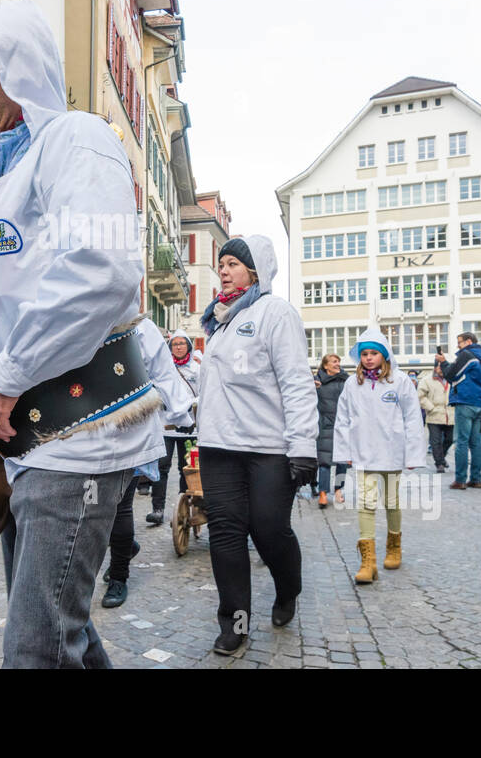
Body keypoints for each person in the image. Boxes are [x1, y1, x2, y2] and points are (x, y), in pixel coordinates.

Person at [0, 1, 161, 668]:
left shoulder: (76, 137)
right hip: (33, 440)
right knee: (60, 629)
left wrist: (7, 375)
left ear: (25, 68)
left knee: (36, 645)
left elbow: (103, 267)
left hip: (79, 431)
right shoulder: (2, 180)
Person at [195, 234, 318, 655]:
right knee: (226, 533)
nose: (224, 271)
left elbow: (297, 382)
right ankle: (236, 623)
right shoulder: (219, 322)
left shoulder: (275, 313)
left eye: (232, 263)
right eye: (222, 264)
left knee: (269, 530)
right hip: (218, 447)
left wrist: (303, 444)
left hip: (268, 446)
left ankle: (288, 589)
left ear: (255, 270)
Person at [102, 321, 196, 609]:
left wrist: (182, 415)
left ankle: (119, 575)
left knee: (120, 506)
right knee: (94, 507)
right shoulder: (80, 313)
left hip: (130, 430)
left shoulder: (142, 327)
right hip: (89, 432)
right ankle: (126, 547)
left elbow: (163, 372)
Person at [332, 329, 426, 584]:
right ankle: (367, 561)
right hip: (363, 452)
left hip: (392, 451)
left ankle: (394, 546)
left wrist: (413, 454)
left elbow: (412, 418)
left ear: (384, 355)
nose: (369, 358)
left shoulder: (401, 381)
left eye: (374, 353)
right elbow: (342, 420)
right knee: (365, 503)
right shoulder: (352, 384)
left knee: (392, 501)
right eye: (364, 354)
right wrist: (344, 453)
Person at [147, 330, 201, 526]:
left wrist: (190, 405)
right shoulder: (164, 369)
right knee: (162, 466)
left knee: (186, 468)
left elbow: (203, 393)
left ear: (188, 346)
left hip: (189, 427)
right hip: (166, 427)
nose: (178, 347)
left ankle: (183, 506)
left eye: (182, 344)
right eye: (174, 344)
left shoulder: (197, 369)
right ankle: (158, 509)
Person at [437, 332, 481, 490]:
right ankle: (476, 478)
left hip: (465, 401)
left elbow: (451, 375)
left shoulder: (467, 355)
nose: (458, 345)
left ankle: (460, 479)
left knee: (461, 442)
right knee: (476, 443)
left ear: (468, 341)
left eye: (459, 342)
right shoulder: (480, 358)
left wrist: (444, 362)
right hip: (479, 402)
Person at [314, 354, 349, 505]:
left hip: (342, 424)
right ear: (326, 365)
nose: (338, 364)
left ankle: (338, 491)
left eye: (339, 362)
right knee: (324, 461)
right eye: (334, 362)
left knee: (342, 461)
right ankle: (323, 493)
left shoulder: (346, 380)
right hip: (325, 424)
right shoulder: (316, 381)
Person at [417, 361, 454, 473]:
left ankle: (441, 459)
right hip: (434, 414)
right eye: (439, 367)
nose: (441, 369)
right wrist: (431, 408)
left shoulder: (452, 379)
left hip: (450, 414)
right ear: (435, 368)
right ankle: (439, 463)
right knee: (435, 441)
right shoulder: (426, 380)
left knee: (450, 439)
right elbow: (420, 396)